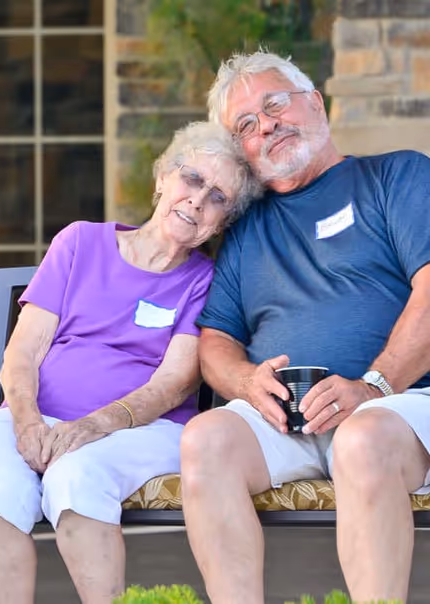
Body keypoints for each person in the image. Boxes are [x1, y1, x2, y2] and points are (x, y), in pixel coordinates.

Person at [0, 120, 261, 603]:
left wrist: (94, 425)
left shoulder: (205, 281)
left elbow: (173, 384)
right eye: (192, 179)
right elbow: (23, 353)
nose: (198, 201)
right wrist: (27, 422)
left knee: (76, 476)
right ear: (162, 177)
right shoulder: (79, 242)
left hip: (143, 430)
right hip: (35, 416)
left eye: (219, 198)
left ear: (222, 223)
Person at [180, 50, 430, 604]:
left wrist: (373, 388)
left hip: (401, 406)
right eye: (246, 125)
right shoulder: (246, 231)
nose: (266, 125)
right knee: (207, 439)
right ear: (242, 151)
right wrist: (245, 383)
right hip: (288, 420)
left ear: (315, 102)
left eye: (275, 104)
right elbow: (216, 339)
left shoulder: (397, 176)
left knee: (362, 439)